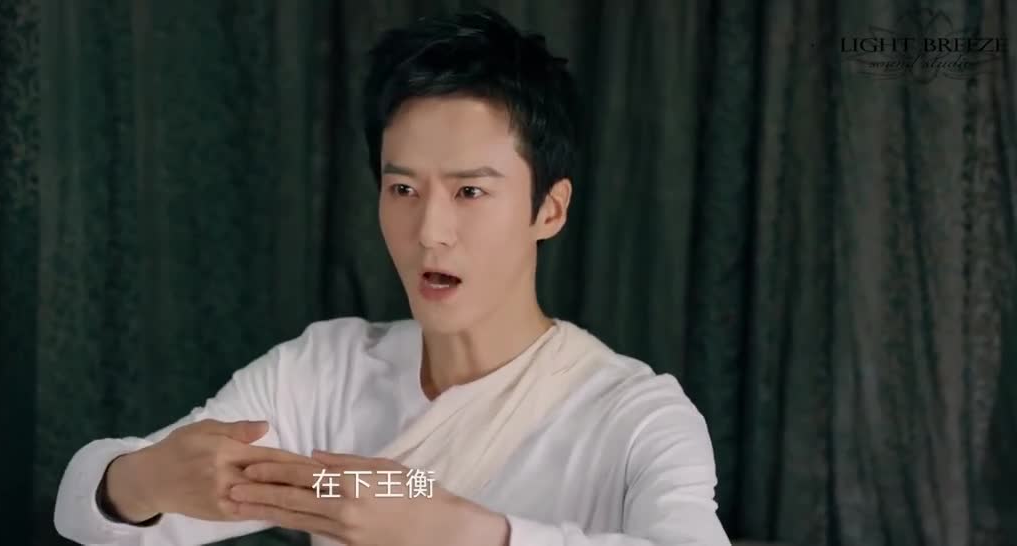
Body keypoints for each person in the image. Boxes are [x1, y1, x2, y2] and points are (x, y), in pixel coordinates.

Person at [54, 8, 731, 546]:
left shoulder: (635, 418)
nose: (430, 230)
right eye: (403, 189)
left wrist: (469, 535)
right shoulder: (324, 375)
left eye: (470, 192)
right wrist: (143, 481)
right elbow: (84, 506)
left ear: (549, 209)